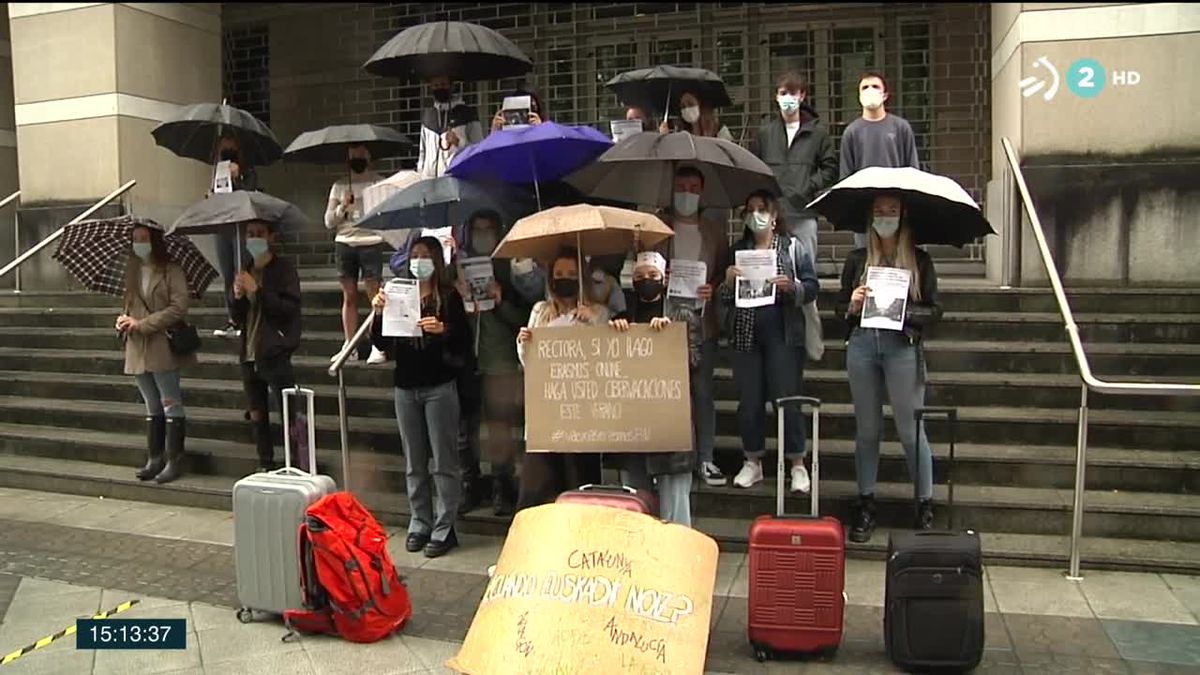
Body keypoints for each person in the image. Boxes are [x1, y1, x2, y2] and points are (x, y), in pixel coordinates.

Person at [839, 193, 942, 542]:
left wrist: (904, 312)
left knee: (911, 428)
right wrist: (852, 304)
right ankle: (866, 502)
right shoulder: (856, 260)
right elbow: (839, 309)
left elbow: (935, 310)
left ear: (903, 216)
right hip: (864, 346)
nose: (885, 217)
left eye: (892, 211)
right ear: (870, 218)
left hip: (902, 348)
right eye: (879, 212)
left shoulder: (920, 261)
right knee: (867, 429)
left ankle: (925, 503)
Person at [370, 236, 470, 558]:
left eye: (426, 255)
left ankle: (445, 526)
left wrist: (443, 331)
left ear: (437, 261)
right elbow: (382, 344)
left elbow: (464, 344)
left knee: (444, 460)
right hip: (406, 386)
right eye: (414, 255)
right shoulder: (401, 295)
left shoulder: (448, 297)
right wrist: (378, 313)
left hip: (439, 386)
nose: (419, 261)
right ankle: (419, 521)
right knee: (414, 461)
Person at [719, 190, 819, 492]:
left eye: (762, 209)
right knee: (749, 402)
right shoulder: (737, 251)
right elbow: (723, 297)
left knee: (786, 398)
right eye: (750, 210)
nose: (756, 215)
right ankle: (753, 461)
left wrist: (792, 287)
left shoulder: (792, 248)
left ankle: (797, 464)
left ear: (774, 215)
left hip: (783, 333)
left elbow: (812, 287)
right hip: (746, 333)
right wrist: (727, 282)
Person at [649, 165, 729, 486]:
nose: (687, 194)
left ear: (702, 192)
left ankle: (705, 458)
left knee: (703, 392)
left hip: (701, 323)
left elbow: (724, 273)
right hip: (664, 322)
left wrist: (715, 286)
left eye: (693, 188)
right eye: (681, 187)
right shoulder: (658, 228)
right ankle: (671, 459)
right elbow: (641, 270)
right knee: (668, 393)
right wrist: (658, 277)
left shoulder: (714, 231)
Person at [453, 211, 536, 516]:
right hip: (465, 360)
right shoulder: (457, 270)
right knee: (466, 428)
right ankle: (470, 484)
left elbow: (524, 320)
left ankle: (503, 483)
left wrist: (500, 302)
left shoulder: (508, 269)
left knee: (500, 426)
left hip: (498, 359)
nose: (483, 235)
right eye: (477, 229)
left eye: (489, 229)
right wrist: (460, 301)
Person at [609, 252, 700, 526]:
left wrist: (671, 339)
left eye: (652, 276)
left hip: (669, 419)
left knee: (675, 506)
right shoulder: (623, 317)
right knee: (634, 502)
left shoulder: (682, 314)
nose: (646, 281)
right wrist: (613, 334)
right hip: (632, 421)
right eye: (639, 277)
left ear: (664, 278)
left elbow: (695, 361)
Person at [515, 247, 609, 509]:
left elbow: (609, 360)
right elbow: (527, 361)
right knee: (535, 491)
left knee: (579, 487)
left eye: (571, 273)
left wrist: (593, 325)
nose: (564, 278)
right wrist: (526, 341)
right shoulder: (540, 310)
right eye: (559, 273)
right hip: (545, 414)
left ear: (581, 278)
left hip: (582, 416)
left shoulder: (599, 313)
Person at [119, 222, 193, 484]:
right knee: (152, 405)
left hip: (162, 345)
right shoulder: (132, 271)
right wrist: (125, 319)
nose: (139, 243)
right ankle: (155, 457)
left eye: (144, 238)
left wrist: (143, 324)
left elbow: (178, 307)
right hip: (137, 347)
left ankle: (175, 459)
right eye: (135, 238)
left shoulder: (171, 271)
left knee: (170, 401)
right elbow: (130, 306)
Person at [231, 220, 302, 473]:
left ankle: (295, 462)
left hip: (275, 351)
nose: (253, 239)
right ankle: (265, 462)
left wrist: (258, 291)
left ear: (271, 236)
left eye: (259, 234)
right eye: (250, 234)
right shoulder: (245, 269)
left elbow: (288, 309)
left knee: (287, 411)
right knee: (257, 413)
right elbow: (238, 318)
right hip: (249, 352)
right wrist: (237, 297)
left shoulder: (283, 270)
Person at [750, 71, 837, 271]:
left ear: (802, 95)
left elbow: (830, 169)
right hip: (772, 216)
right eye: (783, 93)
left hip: (804, 214)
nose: (788, 98)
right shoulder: (765, 134)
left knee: (806, 274)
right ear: (776, 97)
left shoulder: (818, 134)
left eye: (793, 93)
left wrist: (808, 187)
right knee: (772, 272)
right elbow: (755, 170)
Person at [841, 71, 921, 249]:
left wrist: (907, 206)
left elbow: (912, 170)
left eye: (875, 87)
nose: (870, 90)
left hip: (896, 208)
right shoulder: (851, 132)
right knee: (866, 259)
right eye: (865, 87)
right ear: (859, 95)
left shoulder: (901, 128)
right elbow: (846, 176)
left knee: (900, 256)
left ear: (885, 94)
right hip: (866, 211)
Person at [324, 143, 387, 365]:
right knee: (349, 295)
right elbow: (329, 221)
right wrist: (342, 207)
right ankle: (350, 344)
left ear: (369, 156)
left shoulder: (379, 183)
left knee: (374, 295)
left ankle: (378, 344)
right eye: (353, 153)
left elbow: (386, 214)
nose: (358, 156)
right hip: (345, 242)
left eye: (362, 152)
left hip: (371, 241)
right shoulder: (340, 186)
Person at [211, 134, 260, 339]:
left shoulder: (248, 172)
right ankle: (232, 317)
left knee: (243, 270)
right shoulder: (217, 171)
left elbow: (250, 197)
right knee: (228, 273)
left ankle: (247, 315)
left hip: (241, 226)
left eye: (231, 144)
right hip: (222, 226)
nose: (227, 148)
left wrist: (238, 179)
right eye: (224, 145)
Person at [418, 75, 484, 179]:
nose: (440, 88)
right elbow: (423, 152)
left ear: (451, 86)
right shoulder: (428, 115)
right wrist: (420, 174)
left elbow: (479, 148)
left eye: (443, 84)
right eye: (436, 85)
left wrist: (458, 142)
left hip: (456, 179)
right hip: (429, 181)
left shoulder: (467, 114)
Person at [659, 91, 734, 141]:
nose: (687, 109)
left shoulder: (720, 130)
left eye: (690, 104)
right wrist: (664, 138)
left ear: (700, 104)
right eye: (683, 106)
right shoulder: (682, 132)